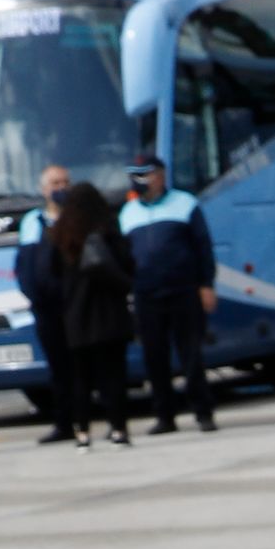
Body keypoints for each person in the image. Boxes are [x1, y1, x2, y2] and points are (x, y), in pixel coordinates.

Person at [118, 155, 217, 434]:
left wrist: (206, 285)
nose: (137, 181)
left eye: (143, 174)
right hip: (147, 294)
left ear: (159, 176)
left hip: (184, 290)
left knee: (191, 354)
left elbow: (203, 248)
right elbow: (124, 255)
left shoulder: (185, 204)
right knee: (154, 356)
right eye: (134, 175)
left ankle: (203, 412)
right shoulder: (128, 212)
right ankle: (165, 416)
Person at [42, 182, 136, 448]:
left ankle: (82, 432)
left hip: (75, 317)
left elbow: (50, 277)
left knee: (81, 378)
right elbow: (127, 263)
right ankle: (118, 428)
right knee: (114, 375)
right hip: (109, 313)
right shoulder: (107, 231)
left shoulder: (58, 235)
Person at [14, 162, 77, 440]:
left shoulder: (79, 217)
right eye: (55, 183)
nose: (60, 188)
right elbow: (24, 265)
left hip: (77, 306)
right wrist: (35, 297)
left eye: (64, 182)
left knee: (83, 364)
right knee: (59, 368)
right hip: (47, 309)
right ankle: (64, 423)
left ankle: (89, 418)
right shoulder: (32, 222)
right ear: (43, 190)